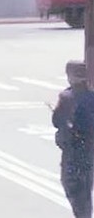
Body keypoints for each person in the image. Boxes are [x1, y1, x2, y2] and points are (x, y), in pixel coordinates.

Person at [52, 60, 94, 218]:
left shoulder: (67, 96)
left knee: (72, 186)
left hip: (72, 152)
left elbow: (56, 121)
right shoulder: (92, 96)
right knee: (85, 190)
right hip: (88, 151)